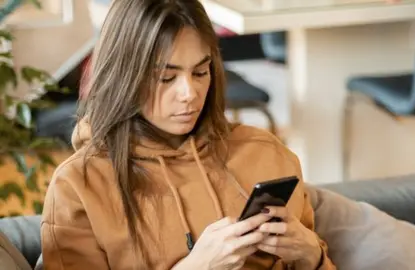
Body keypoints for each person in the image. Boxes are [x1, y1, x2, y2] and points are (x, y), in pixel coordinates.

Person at [40, 0, 336, 269]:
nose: (189, 94)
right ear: (124, 76)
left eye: (200, 72)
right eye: (166, 77)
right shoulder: (79, 186)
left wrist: (311, 255)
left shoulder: (265, 152)